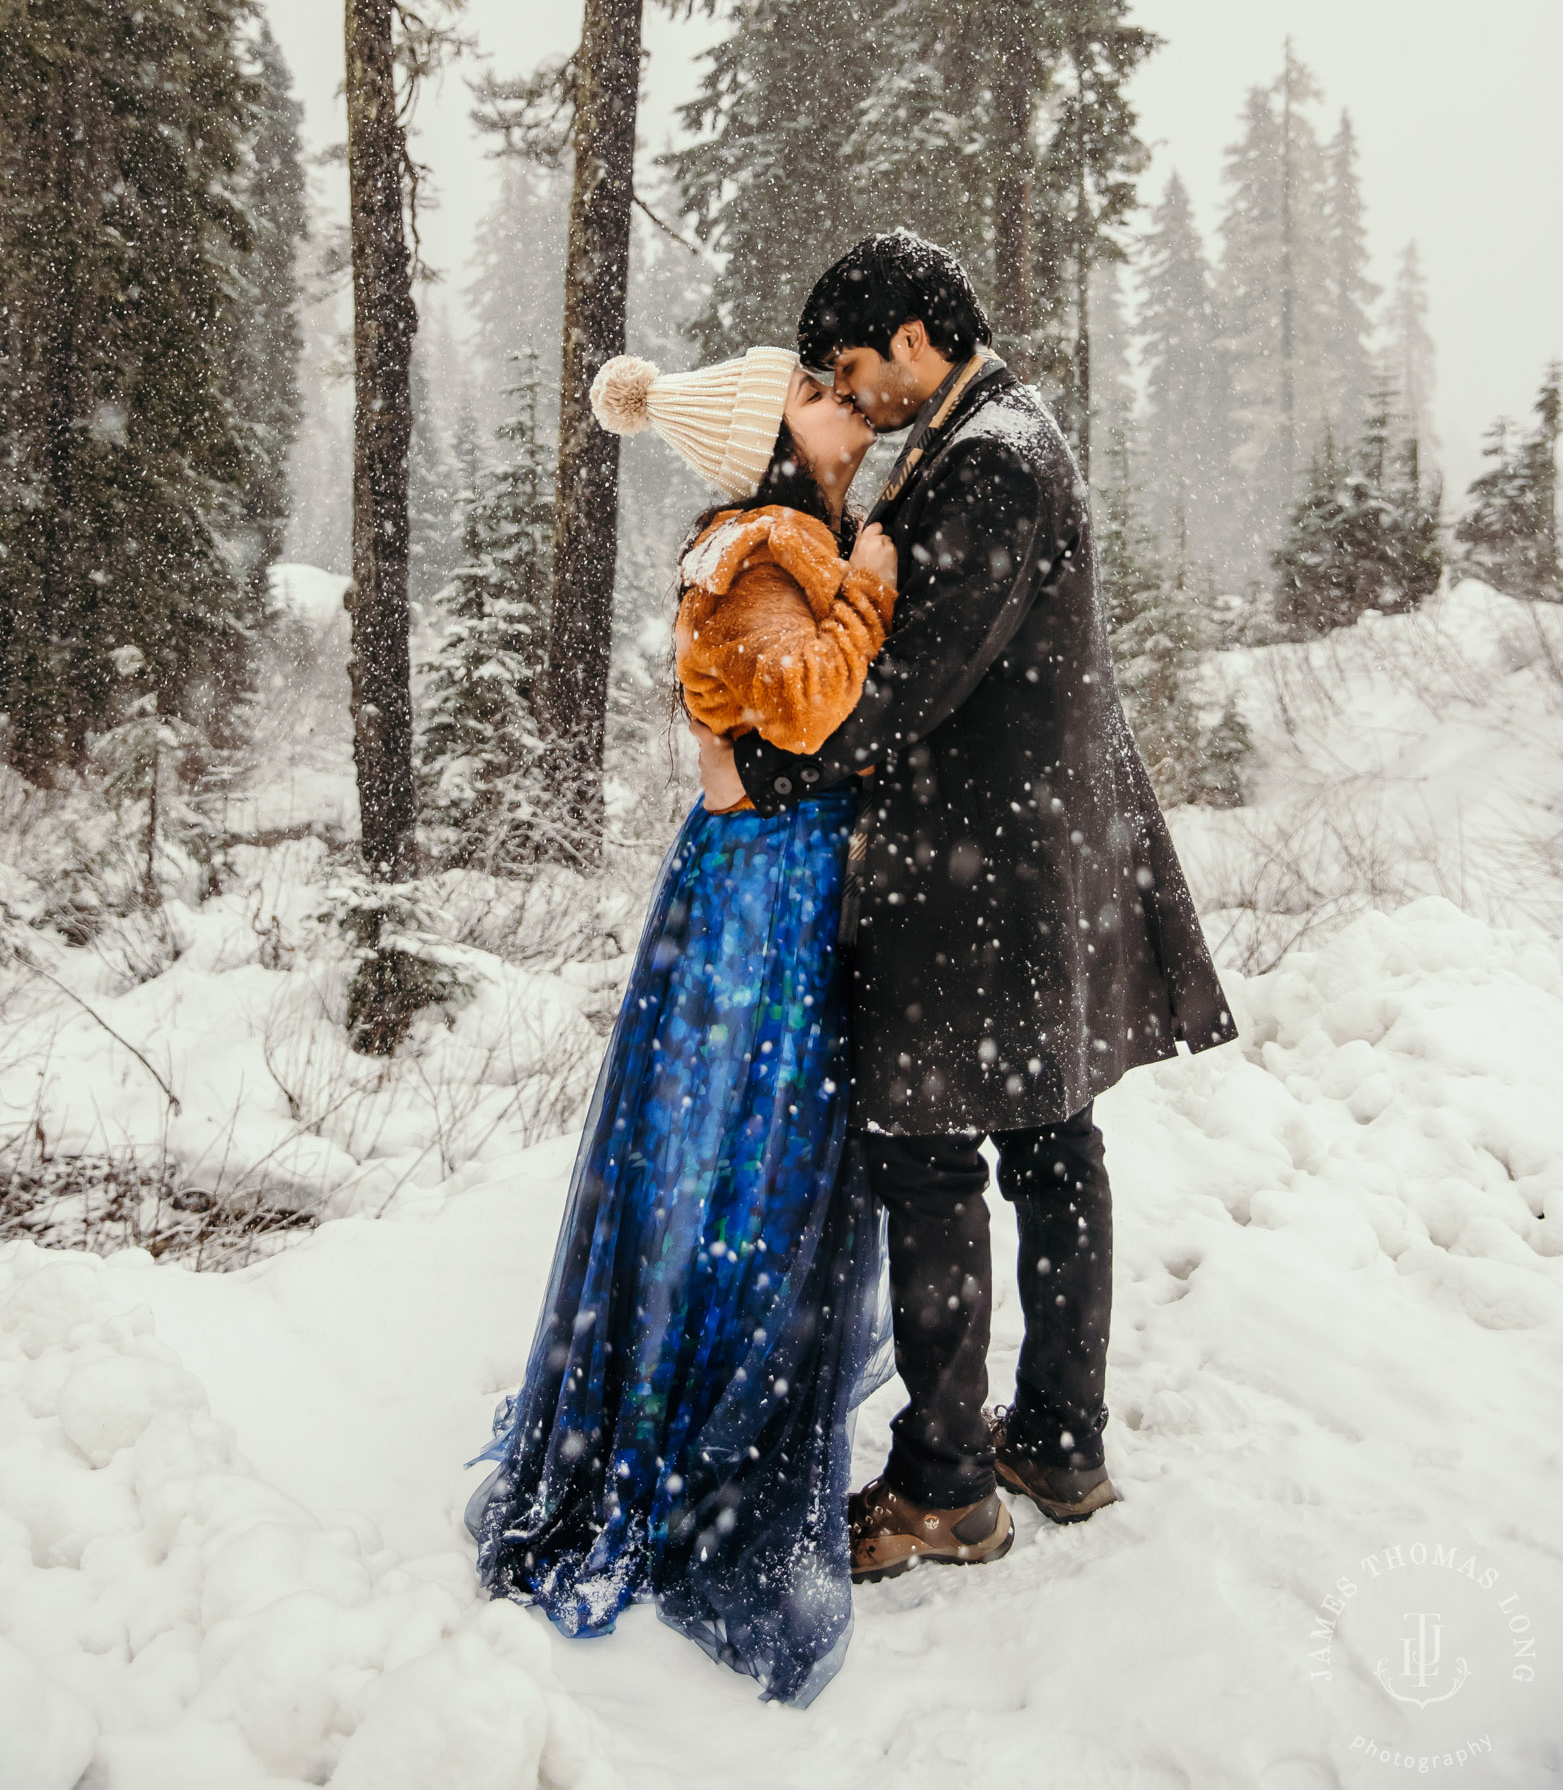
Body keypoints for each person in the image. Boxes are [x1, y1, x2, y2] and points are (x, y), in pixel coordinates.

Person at [696, 231, 1237, 1583]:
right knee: (1050, 1143)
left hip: (983, 870)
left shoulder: (990, 456)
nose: (849, 389)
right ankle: (1055, 1436)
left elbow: (907, 682)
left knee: (932, 1151)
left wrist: (755, 768)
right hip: (1023, 852)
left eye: (855, 364)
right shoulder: (991, 432)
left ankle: (947, 1482)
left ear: (919, 342)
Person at [467, 343, 958, 1708]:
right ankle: (688, 1416)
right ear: (767, 439)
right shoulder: (759, 547)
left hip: (770, 874)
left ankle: (706, 1376)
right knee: (740, 1149)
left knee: (755, 1148)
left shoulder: (788, 534)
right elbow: (803, 699)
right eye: (817, 396)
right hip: (760, 896)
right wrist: (872, 583)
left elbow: (772, 715)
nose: (845, 406)